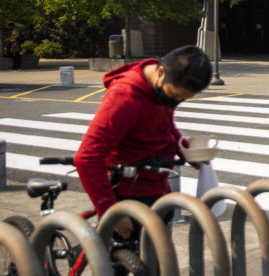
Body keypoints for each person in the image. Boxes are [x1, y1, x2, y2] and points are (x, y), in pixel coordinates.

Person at [74, 45, 212, 239]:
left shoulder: (161, 87)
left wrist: (186, 150)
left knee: (158, 264)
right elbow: (87, 158)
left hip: (157, 189)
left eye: (182, 99)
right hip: (128, 196)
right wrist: (110, 212)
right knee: (128, 266)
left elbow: (165, 126)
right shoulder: (124, 97)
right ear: (161, 72)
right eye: (174, 96)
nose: (175, 102)